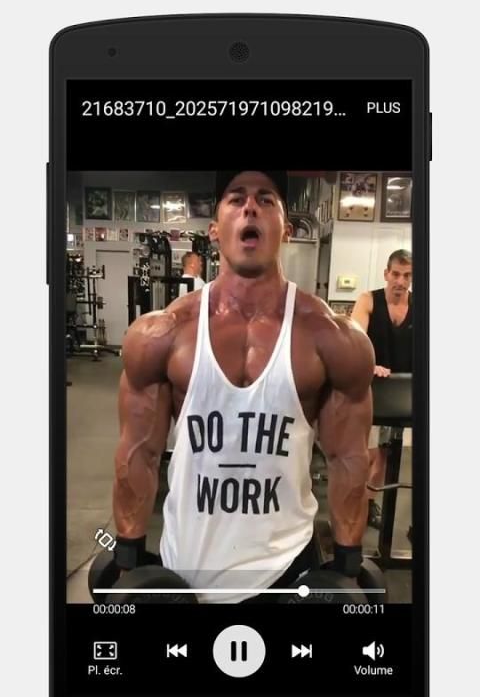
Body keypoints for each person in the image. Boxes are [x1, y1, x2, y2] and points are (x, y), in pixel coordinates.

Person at [112, 170, 375, 603]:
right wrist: (128, 558)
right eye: (236, 198)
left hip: (288, 567)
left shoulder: (331, 337)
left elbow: (348, 457)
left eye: (266, 199)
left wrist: (346, 565)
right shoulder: (162, 333)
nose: (250, 207)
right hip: (185, 566)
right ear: (215, 229)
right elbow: (139, 453)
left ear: (286, 230)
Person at [351, 250, 412, 531]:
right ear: (386, 274)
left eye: (407, 275)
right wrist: (370, 362)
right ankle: (355, 503)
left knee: (386, 456)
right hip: (368, 387)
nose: (401, 281)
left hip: (400, 394)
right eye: (396, 274)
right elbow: (354, 338)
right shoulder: (368, 300)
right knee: (367, 455)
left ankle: (368, 502)